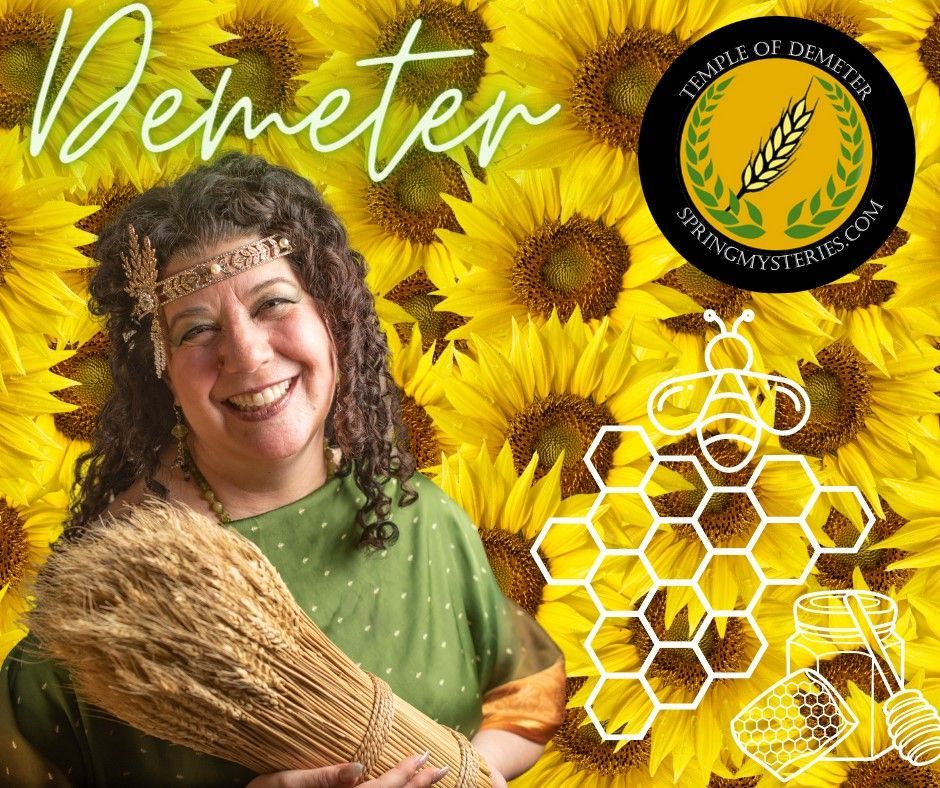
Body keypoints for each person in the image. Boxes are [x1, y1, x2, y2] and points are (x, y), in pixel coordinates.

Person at [0, 154, 566, 787]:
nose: (246, 353)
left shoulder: (419, 518)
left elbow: (528, 688)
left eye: (272, 302)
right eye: (196, 330)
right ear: (161, 371)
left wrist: (468, 773)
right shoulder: (107, 598)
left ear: (331, 316)